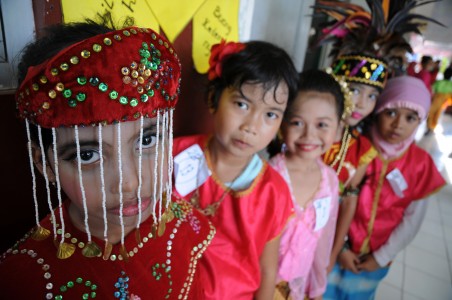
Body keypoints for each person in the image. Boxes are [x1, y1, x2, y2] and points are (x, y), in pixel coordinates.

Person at [0, 22, 215, 299]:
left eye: (147, 140)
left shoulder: (178, 220)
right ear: (45, 164)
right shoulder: (22, 280)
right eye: (88, 155)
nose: (131, 184)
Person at [310, 0, 443, 275]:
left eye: (372, 95)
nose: (360, 104)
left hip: (324, 250)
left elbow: (349, 204)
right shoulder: (309, 130)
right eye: (355, 90)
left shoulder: (361, 148)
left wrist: (334, 253)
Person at [171, 40, 299, 299]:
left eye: (271, 115)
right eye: (242, 104)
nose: (251, 126)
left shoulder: (274, 192)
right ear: (213, 99)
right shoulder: (174, 156)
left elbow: (267, 269)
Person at [324, 76, 446, 299]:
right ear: (378, 112)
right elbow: (333, 203)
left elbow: (412, 219)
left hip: (374, 258)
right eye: (391, 113)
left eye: (410, 118)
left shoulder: (421, 165)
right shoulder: (356, 148)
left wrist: (380, 257)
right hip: (332, 247)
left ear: (420, 121)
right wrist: (340, 248)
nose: (398, 124)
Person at [269, 70, 343, 300]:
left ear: (338, 128)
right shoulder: (268, 175)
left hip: (297, 291)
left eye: (322, 124)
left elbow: (323, 241)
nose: (309, 135)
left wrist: (318, 289)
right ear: (282, 125)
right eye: (297, 122)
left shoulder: (330, 181)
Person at [426, 67, 452, 134]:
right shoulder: (450, 84)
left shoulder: (438, 82)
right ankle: (432, 127)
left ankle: (429, 127)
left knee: (431, 113)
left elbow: (432, 90)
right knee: (437, 114)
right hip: (443, 102)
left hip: (435, 100)